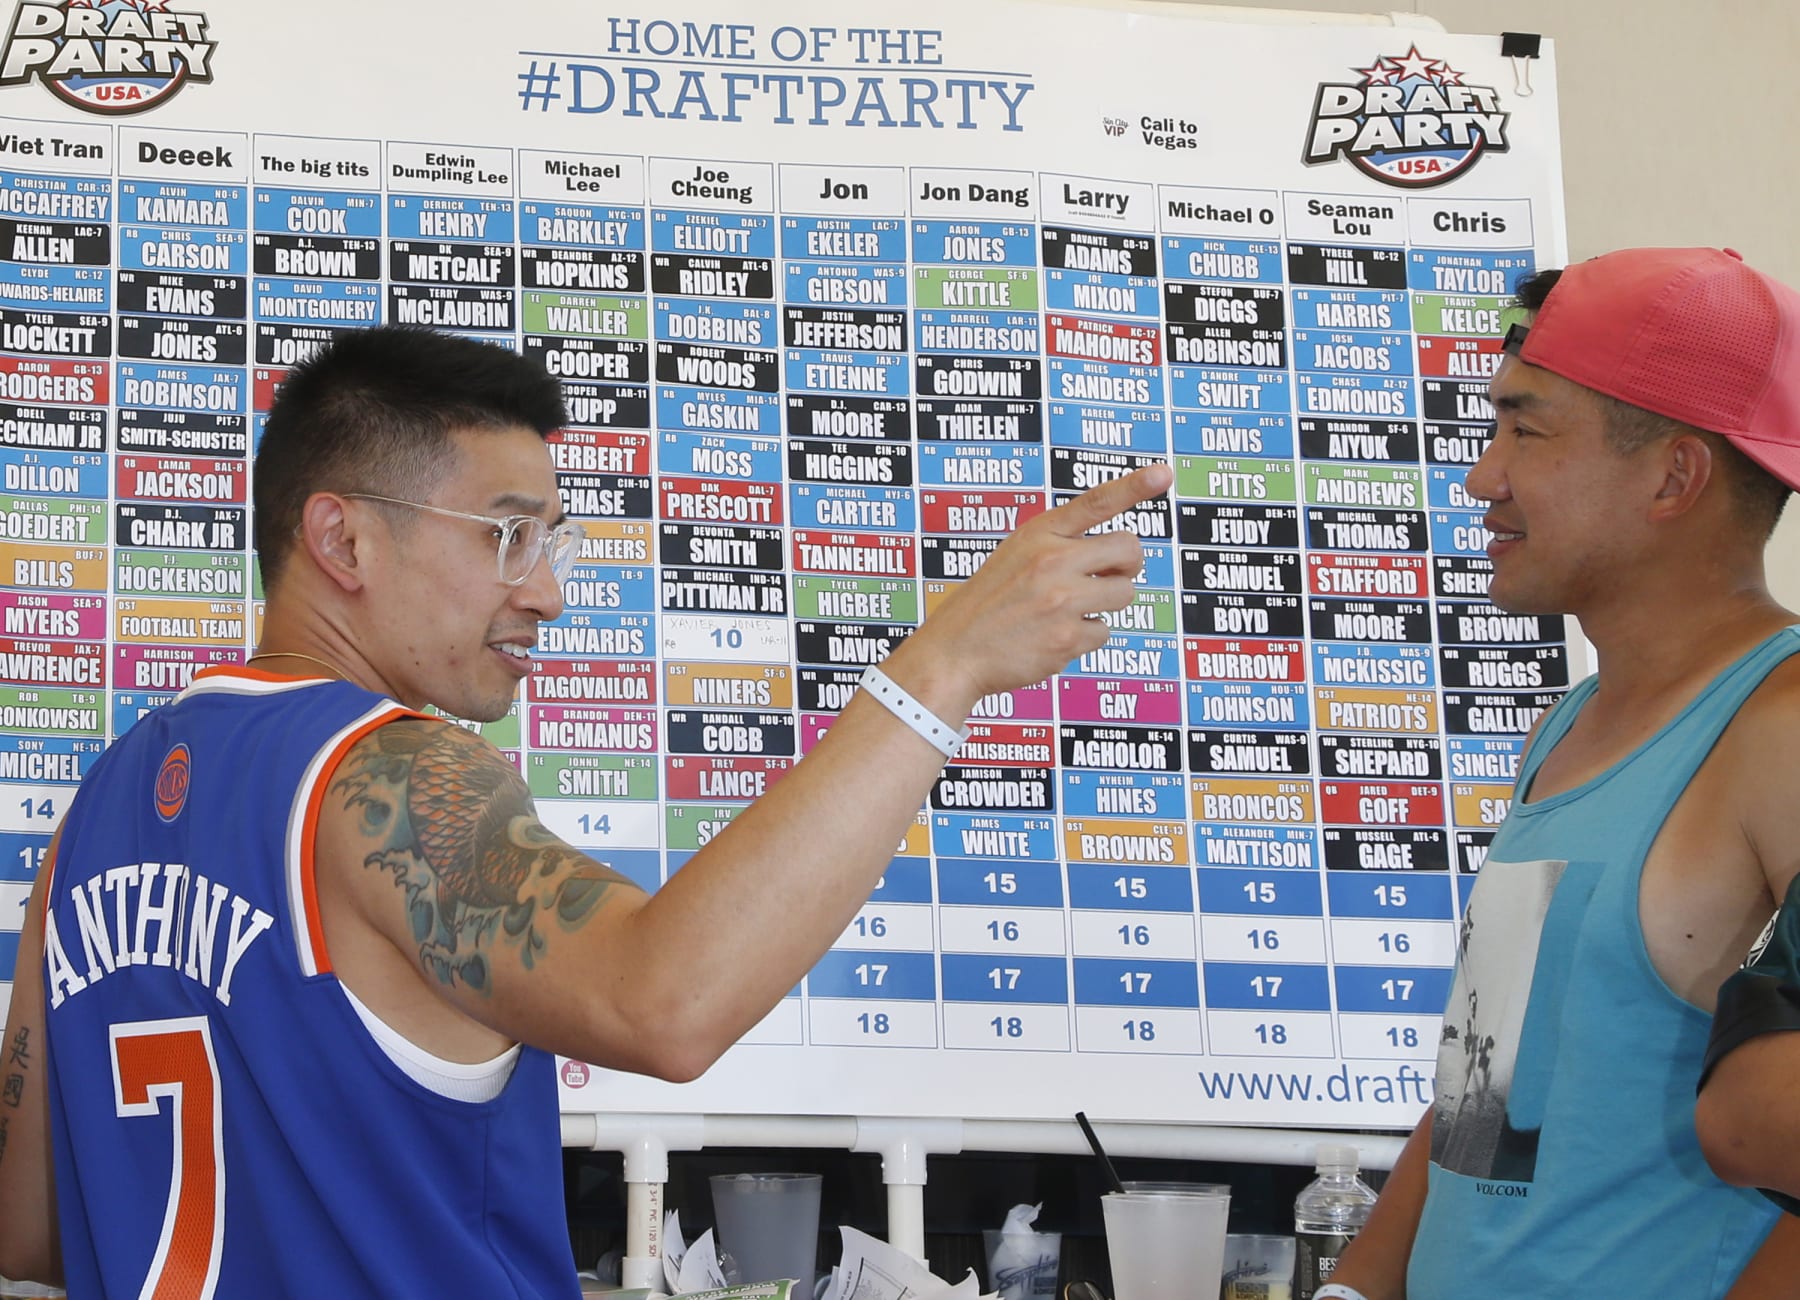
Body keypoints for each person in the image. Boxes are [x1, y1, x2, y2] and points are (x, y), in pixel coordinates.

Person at [0, 324, 1172, 1297]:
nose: (548, 591)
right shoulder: (386, 776)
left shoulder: (89, 826)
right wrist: (944, 666)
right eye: (509, 534)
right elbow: (666, 1002)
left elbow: (30, 1224)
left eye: (552, 539)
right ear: (342, 536)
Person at [1316, 247, 1800, 1300]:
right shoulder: (1569, 725)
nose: (1484, 476)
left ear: (1675, 475)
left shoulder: (1785, 727)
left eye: (1526, 431)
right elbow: (1480, 1096)